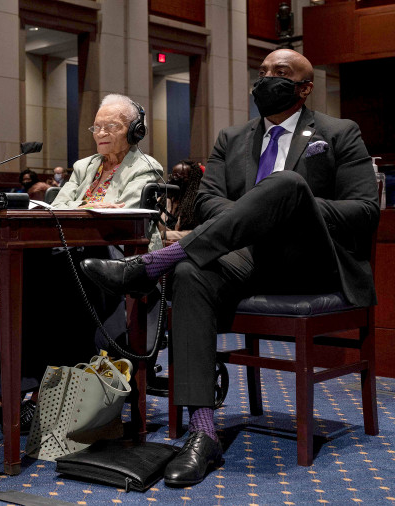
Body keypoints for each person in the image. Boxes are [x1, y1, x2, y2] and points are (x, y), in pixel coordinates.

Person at [80, 49, 379, 487]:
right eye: (261, 73)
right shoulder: (231, 137)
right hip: (245, 259)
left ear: (306, 87)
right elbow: (205, 201)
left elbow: (363, 210)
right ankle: (203, 432)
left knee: (286, 186)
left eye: (281, 73)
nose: (266, 80)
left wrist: (286, 206)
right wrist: (252, 217)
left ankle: (150, 265)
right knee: (189, 274)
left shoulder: (339, 132)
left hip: (311, 263)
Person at [0, 93, 164, 431]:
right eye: (96, 126)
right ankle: (0, 396)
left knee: (55, 274)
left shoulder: (146, 167)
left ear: (134, 131)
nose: (101, 133)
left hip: (118, 257)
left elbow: (130, 219)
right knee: (23, 274)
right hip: (72, 251)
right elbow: (58, 210)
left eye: (111, 126)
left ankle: (39, 395)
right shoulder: (83, 167)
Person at [158, 160, 203, 245]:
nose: (172, 180)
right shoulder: (162, 201)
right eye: (172, 176)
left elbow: (199, 232)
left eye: (179, 177)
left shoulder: (197, 205)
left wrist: (165, 235)